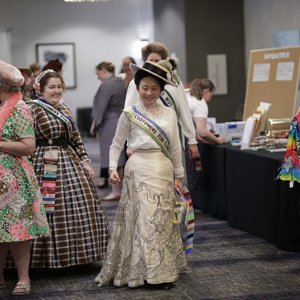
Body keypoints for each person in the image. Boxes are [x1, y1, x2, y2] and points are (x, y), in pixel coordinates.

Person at [95, 60, 187, 289]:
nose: (149, 93)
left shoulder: (168, 114)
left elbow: (175, 147)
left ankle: (162, 270)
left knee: (162, 220)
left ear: (161, 91)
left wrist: (179, 175)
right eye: (145, 88)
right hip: (138, 170)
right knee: (144, 221)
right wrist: (113, 167)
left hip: (163, 169)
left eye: (154, 89)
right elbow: (116, 144)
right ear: (137, 88)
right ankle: (145, 272)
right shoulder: (129, 113)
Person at [27, 69, 109, 268]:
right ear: (41, 90)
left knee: (78, 208)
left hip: (68, 160)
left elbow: (76, 139)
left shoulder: (64, 108)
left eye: (59, 87)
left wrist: (85, 161)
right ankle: (44, 259)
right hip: (43, 162)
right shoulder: (32, 108)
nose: (56, 91)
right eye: (51, 87)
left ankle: (76, 256)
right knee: (47, 209)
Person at [0, 60, 50, 295]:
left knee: (18, 231)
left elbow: (29, 147)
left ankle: (23, 278)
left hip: (14, 181)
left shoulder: (19, 108)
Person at [124, 42, 199, 161]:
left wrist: (192, 140)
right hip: (145, 138)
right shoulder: (136, 83)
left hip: (171, 137)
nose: (154, 63)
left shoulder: (174, 82)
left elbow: (183, 111)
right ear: (145, 61)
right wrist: (129, 143)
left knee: (174, 176)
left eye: (157, 60)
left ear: (164, 61)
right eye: (150, 60)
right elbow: (129, 114)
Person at [90, 61, 126, 199]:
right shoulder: (120, 82)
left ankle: (116, 191)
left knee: (112, 156)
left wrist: (94, 123)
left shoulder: (106, 84)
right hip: (120, 120)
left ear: (103, 71)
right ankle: (120, 190)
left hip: (109, 122)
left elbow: (101, 106)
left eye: (98, 73)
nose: (98, 77)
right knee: (120, 157)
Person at [186, 78, 227, 144]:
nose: (211, 98)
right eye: (211, 94)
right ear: (207, 92)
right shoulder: (200, 103)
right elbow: (203, 132)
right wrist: (218, 140)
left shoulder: (187, 93)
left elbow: (198, 133)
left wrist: (209, 139)